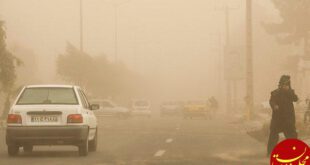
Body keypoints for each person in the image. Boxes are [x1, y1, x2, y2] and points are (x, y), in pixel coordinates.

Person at [267, 75, 299, 156]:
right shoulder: (276, 92)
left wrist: (288, 91)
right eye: (285, 84)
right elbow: (272, 101)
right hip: (278, 119)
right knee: (273, 136)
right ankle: (270, 152)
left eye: (287, 84)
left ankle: (294, 152)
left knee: (292, 136)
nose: (286, 85)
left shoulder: (290, 92)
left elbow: (295, 98)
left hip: (288, 119)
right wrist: (274, 106)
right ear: (281, 84)